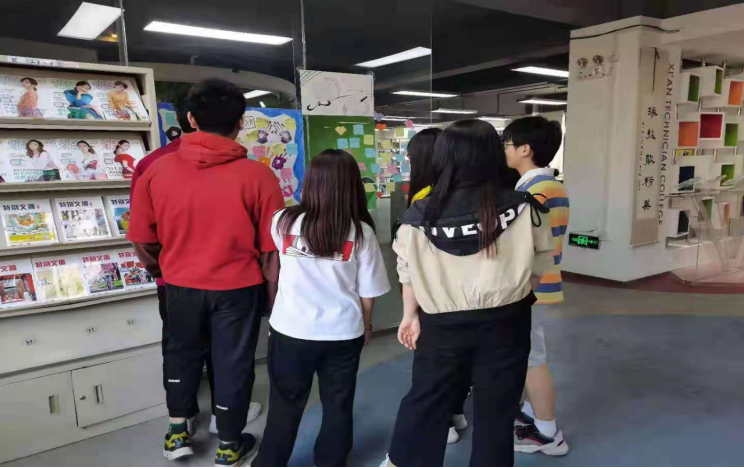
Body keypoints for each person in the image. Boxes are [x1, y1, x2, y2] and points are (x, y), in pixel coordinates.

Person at [127, 78, 285, 467]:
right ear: (241, 123)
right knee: (233, 361)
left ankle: (177, 431)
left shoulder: (156, 171)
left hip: (179, 284)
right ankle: (229, 443)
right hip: (239, 288)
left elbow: (142, 238)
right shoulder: (260, 176)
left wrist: (164, 268)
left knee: (179, 353)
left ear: (192, 119)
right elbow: (271, 250)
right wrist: (272, 299)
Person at [381, 119, 555, 468]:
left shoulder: (419, 214)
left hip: (440, 326)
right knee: (497, 411)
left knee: (427, 402)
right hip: (507, 323)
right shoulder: (525, 207)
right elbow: (540, 266)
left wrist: (410, 316)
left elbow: (407, 272)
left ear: (443, 157)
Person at [253, 150, 391, 468]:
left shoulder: (282, 221)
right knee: (337, 404)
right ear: (352, 186)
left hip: (290, 331)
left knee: (284, 404)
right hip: (342, 333)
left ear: (311, 182)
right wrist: (366, 326)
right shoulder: (360, 231)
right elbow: (368, 293)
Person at [503, 116, 570, 457]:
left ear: (524, 149)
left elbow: (524, 245)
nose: (504, 150)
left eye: (507, 144)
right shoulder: (545, 185)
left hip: (531, 286)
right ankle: (532, 413)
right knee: (530, 352)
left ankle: (547, 433)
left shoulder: (535, 190)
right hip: (538, 283)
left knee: (532, 358)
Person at [402, 127, 469, 445]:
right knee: (458, 361)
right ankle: (455, 412)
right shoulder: (464, 192)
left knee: (433, 367)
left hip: (434, 298)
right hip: (464, 296)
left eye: (411, 156)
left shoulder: (424, 199)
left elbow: (412, 263)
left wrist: (410, 311)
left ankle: (442, 424)